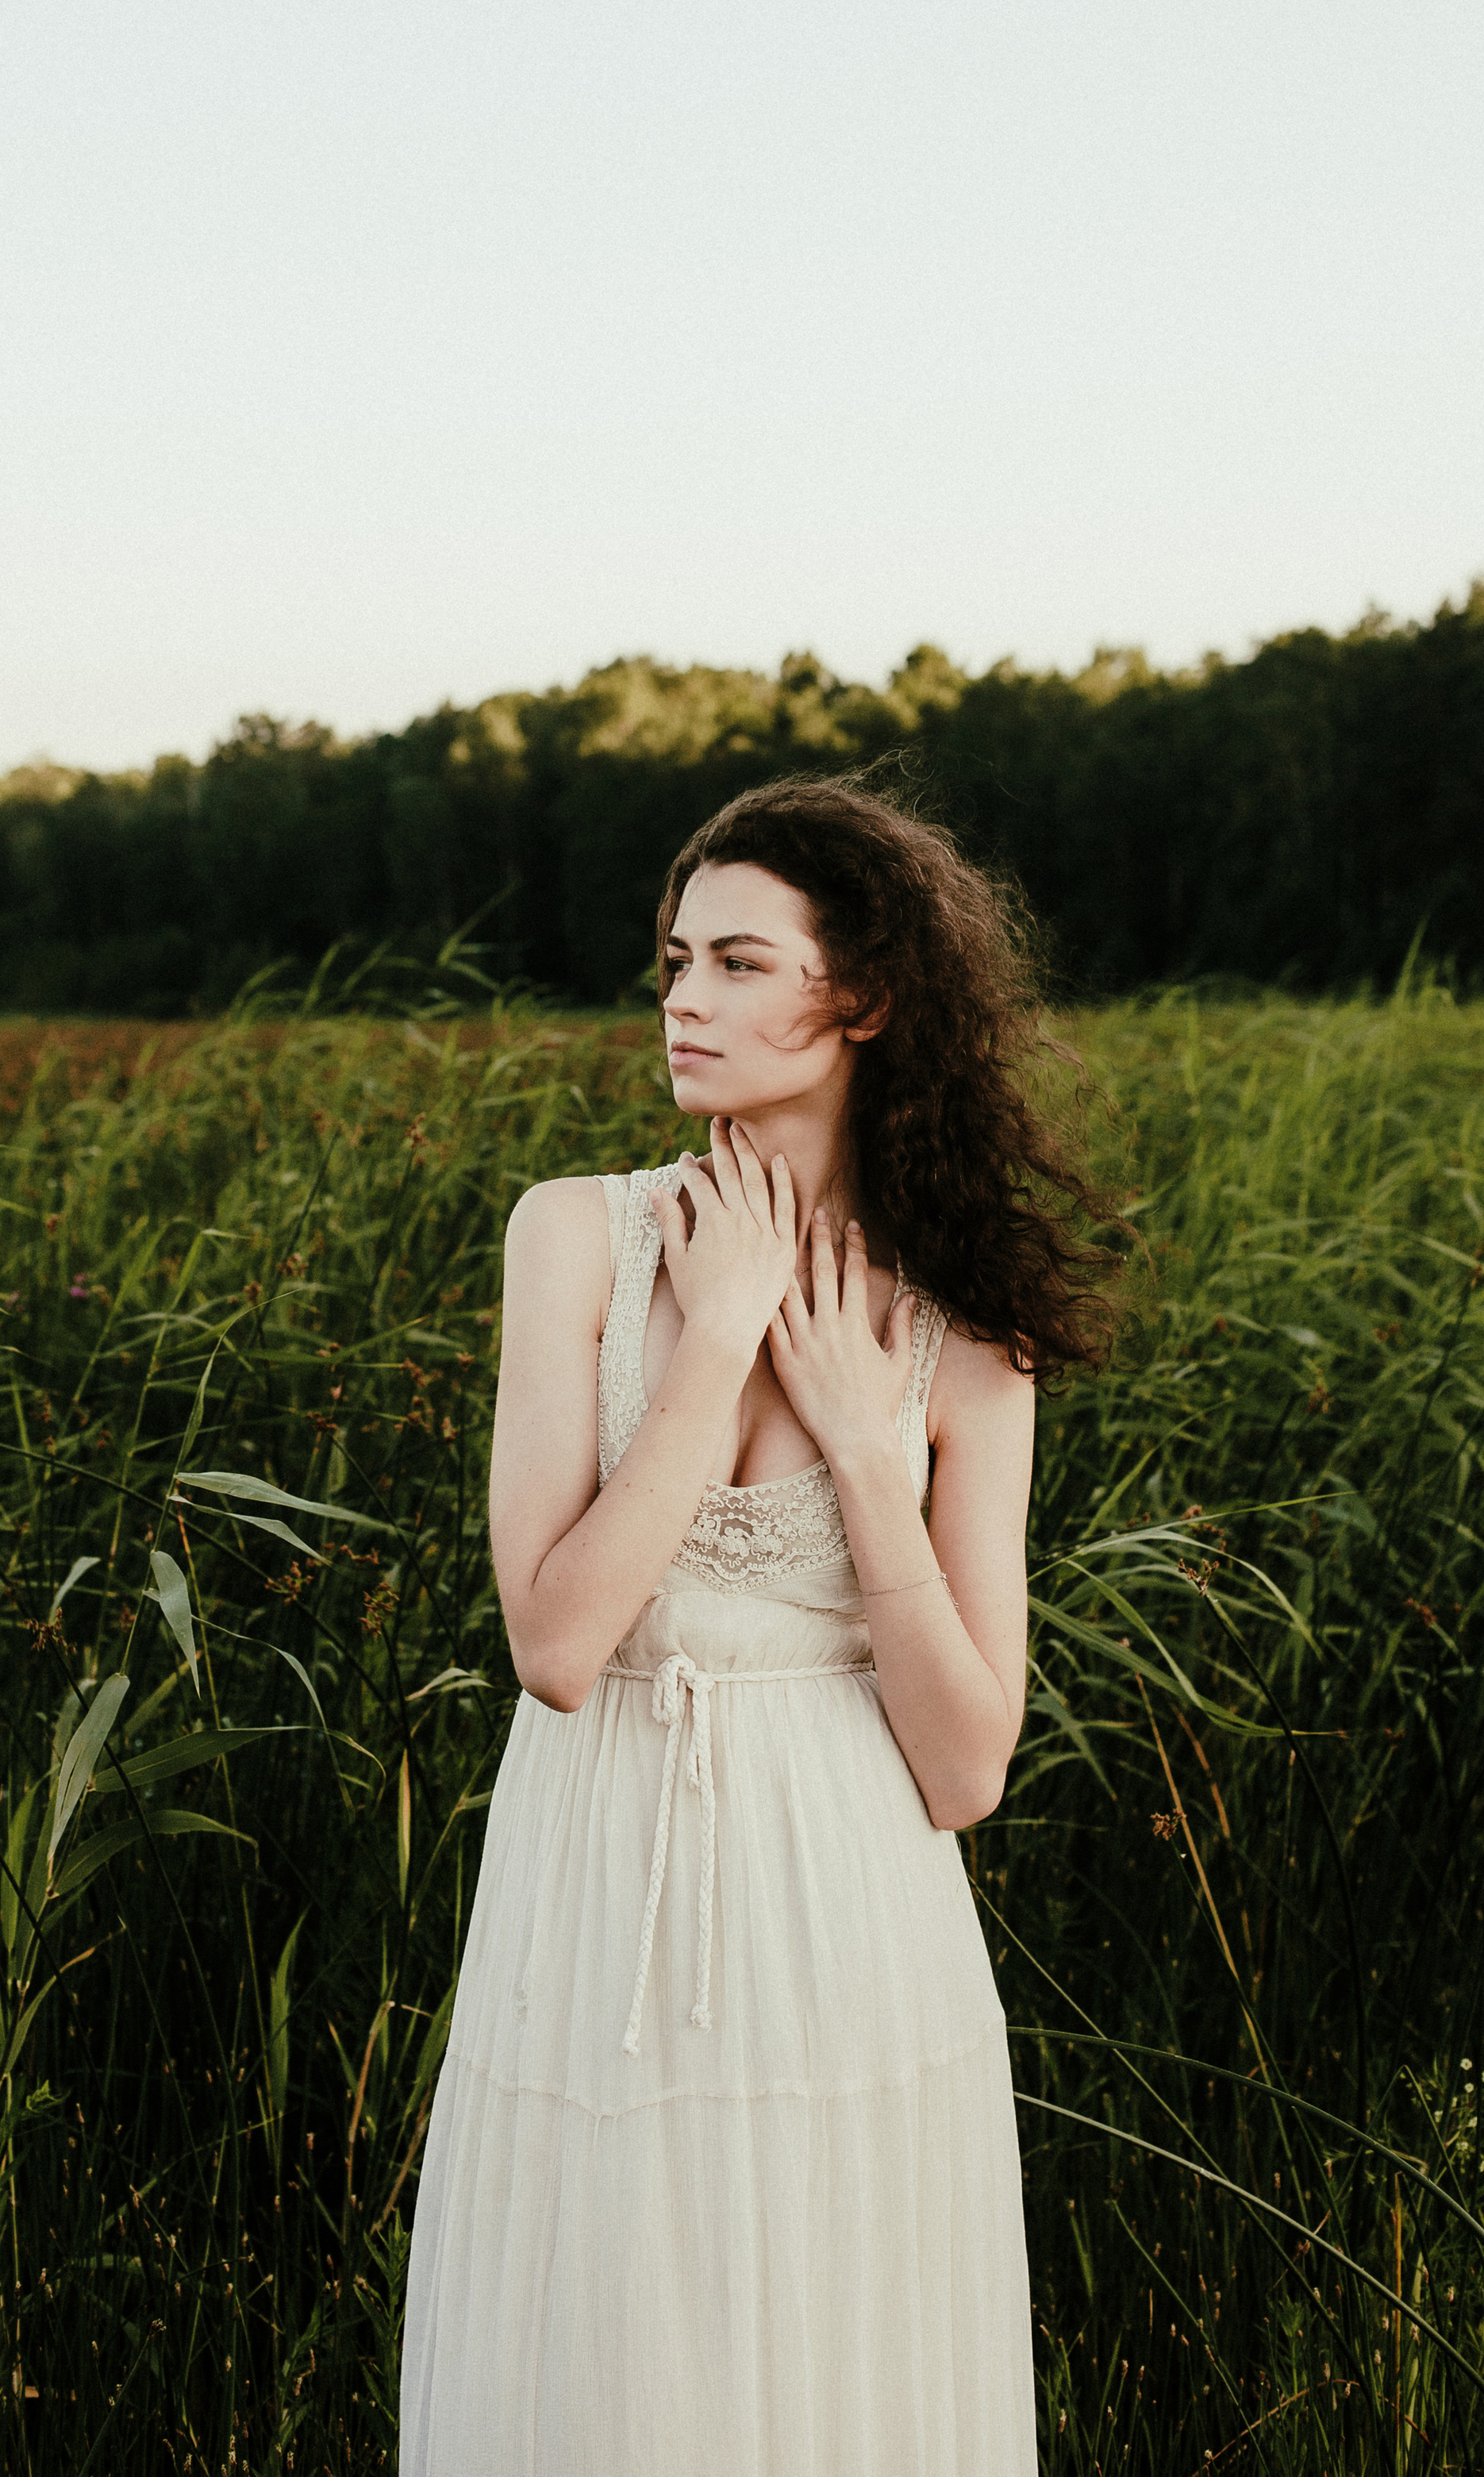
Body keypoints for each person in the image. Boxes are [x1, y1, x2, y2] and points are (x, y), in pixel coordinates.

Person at [400, 775, 1113, 2476]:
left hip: (846, 1909)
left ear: (855, 999)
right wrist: (714, 1340)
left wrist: (872, 1460)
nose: (682, 1002)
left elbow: (961, 1768)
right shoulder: (577, 1237)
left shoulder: (967, 1336)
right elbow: (557, 1646)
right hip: (601, 1904)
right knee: (605, 2366)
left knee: (833, 2374)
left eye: (734, 964)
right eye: (671, 964)